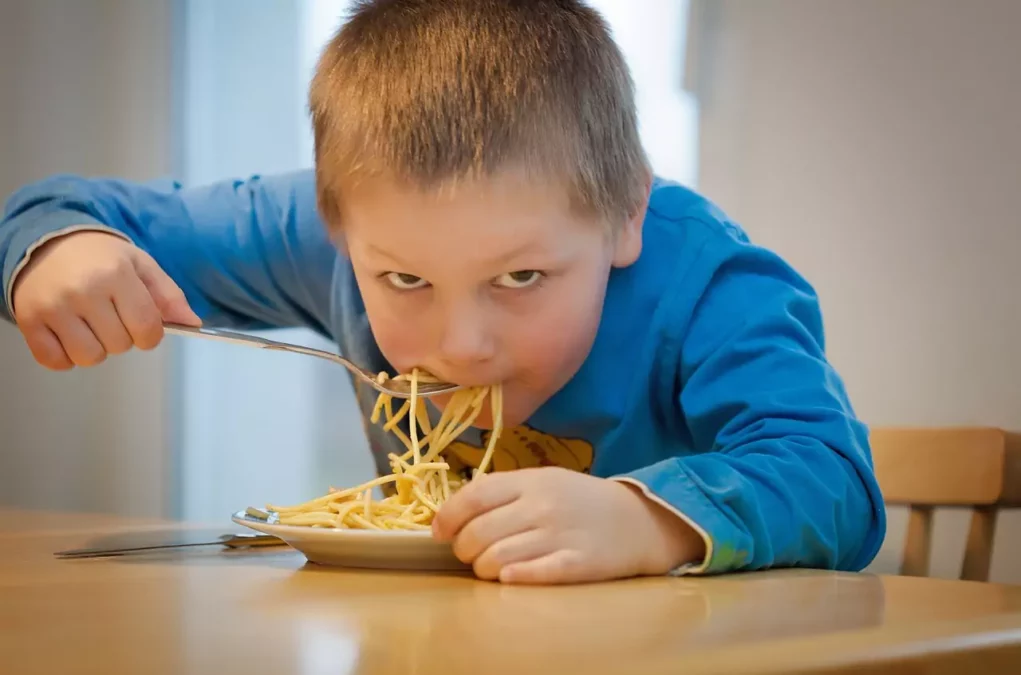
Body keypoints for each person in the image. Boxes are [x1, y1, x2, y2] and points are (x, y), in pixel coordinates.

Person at [0, 0, 885, 584]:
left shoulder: (705, 282)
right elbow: (66, 210)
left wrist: (644, 522)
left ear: (624, 217)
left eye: (521, 277)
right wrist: (61, 248)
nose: (459, 343)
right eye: (405, 280)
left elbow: (834, 478)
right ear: (337, 225)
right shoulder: (335, 229)